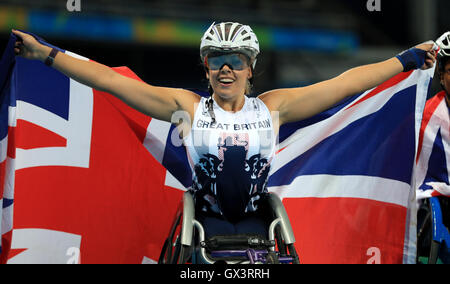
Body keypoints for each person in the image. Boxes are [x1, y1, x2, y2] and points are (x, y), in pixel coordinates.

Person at [11, 22, 437, 239]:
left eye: (235, 59)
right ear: (206, 67)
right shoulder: (187, 106)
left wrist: (405, 59)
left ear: (251, 67)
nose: (226, 68)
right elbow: (109, 81)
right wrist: (44, 52)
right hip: (203, 226)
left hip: (260, 225)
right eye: (216, 59)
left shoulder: (274, 106)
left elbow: (344, 84)